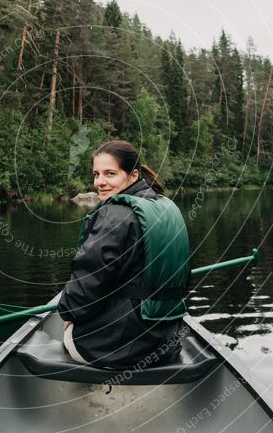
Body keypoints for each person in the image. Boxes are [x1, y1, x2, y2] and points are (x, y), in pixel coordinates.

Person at [58, 140, 190, 369]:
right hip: (169, 341)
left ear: (133, 175)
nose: (100, 182)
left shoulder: (116, 214)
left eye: (110, 173)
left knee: (68, 332)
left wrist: (68, 314)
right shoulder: (165, 206)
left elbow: (88, 281)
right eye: (96, 174)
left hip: (123, 349)